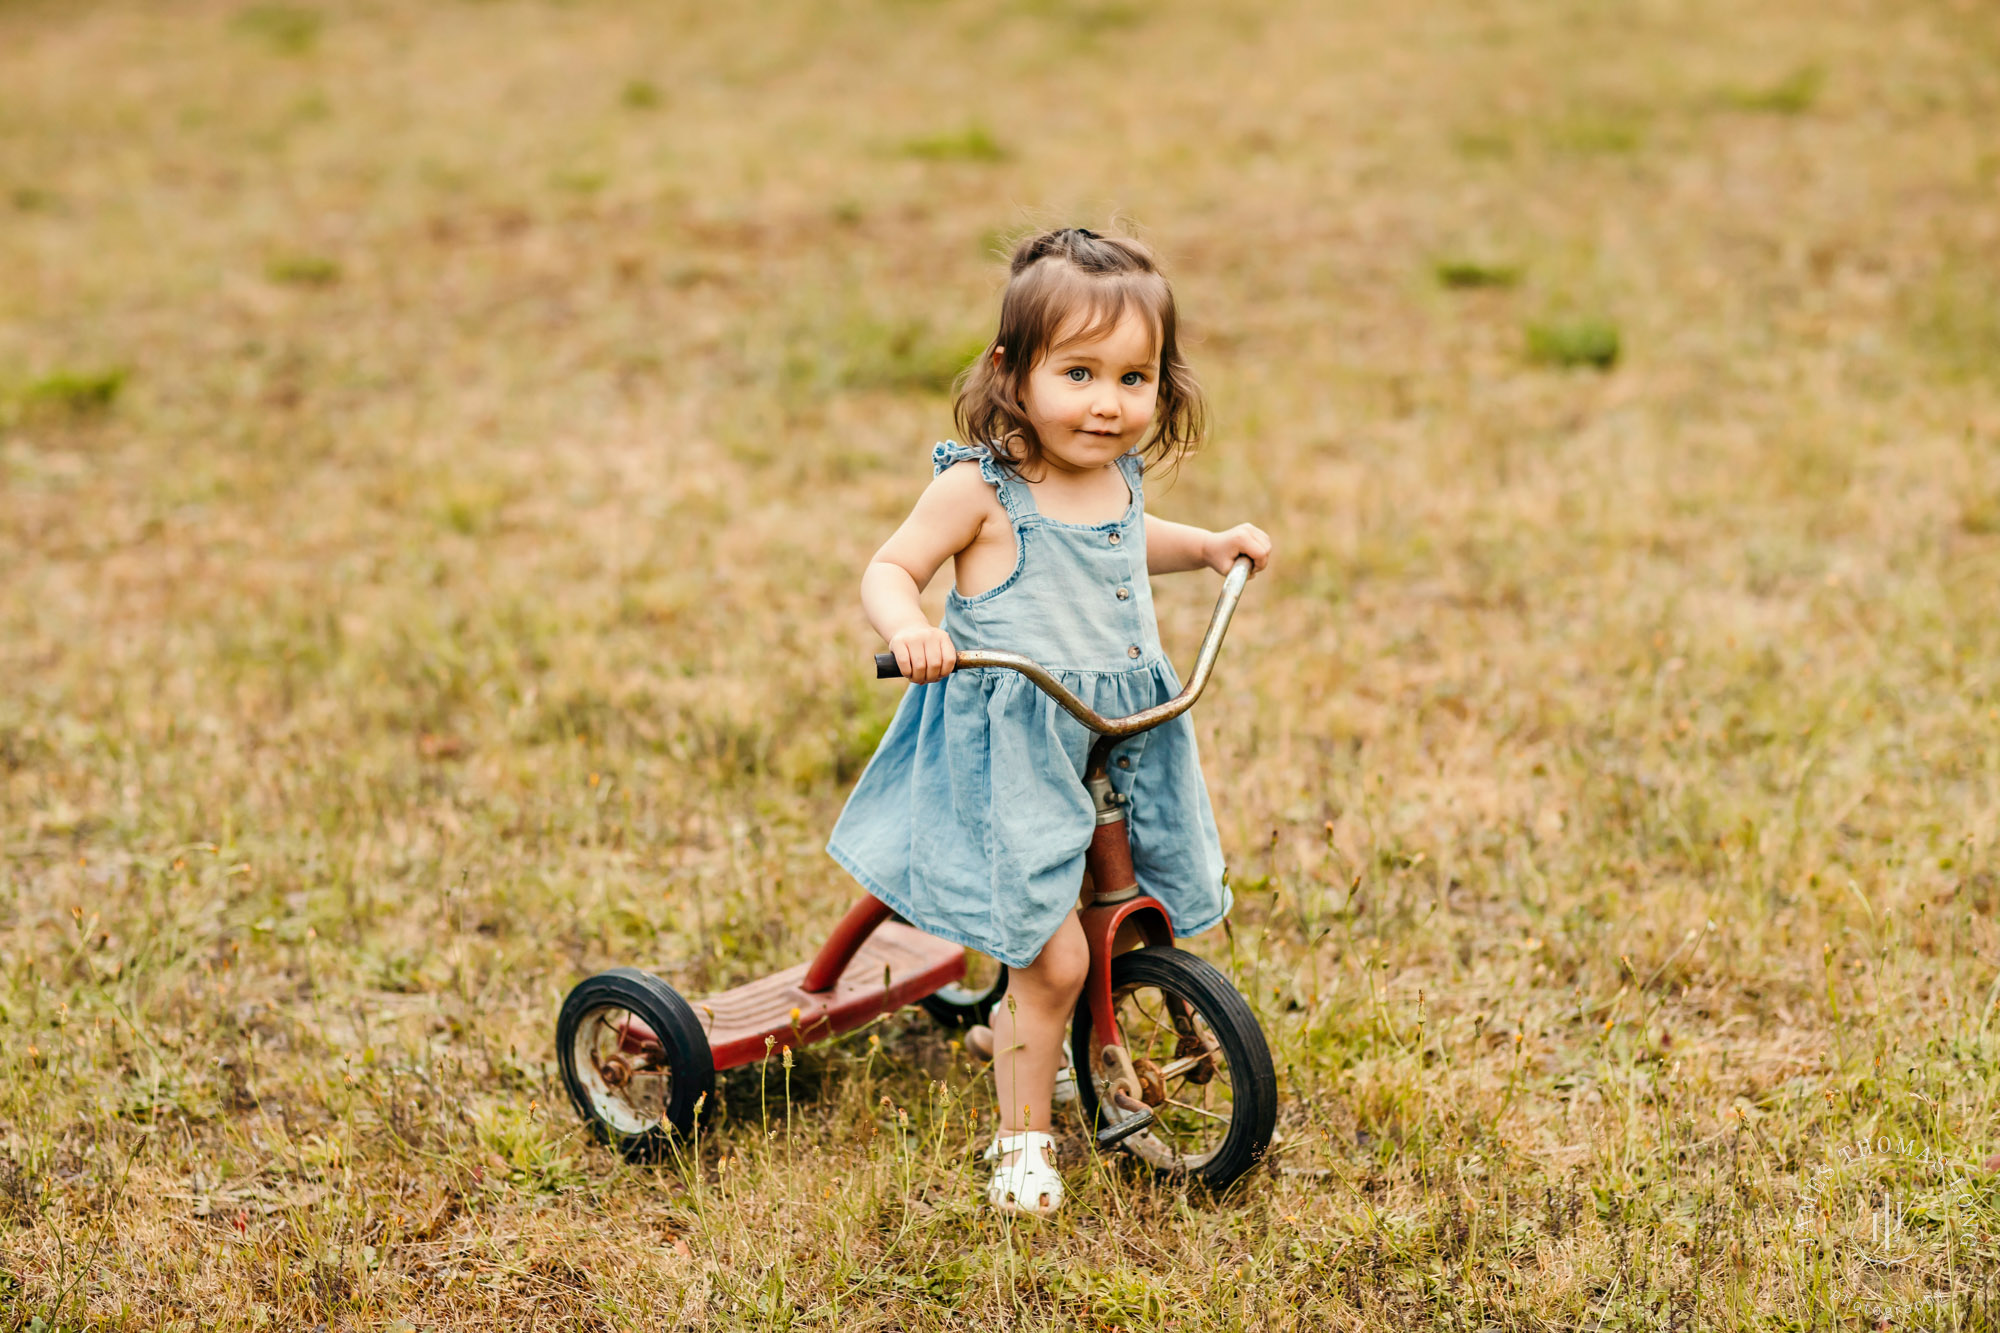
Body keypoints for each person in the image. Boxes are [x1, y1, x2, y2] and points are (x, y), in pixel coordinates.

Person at [825, 227, 1272, 1216]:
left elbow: (1117, 541)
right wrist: (912, 629)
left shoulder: (1112, 475)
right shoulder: (977, 489)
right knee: (1056, 950)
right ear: (1010, 373)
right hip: (1015, 739)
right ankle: (1022, 1144)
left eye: (1133, 376)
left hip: (1113, 727)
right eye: (1077, 372)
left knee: (1111, 891)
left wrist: (1205, 547)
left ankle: (1033, 1021)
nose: (1107, 402)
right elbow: (889, 568)